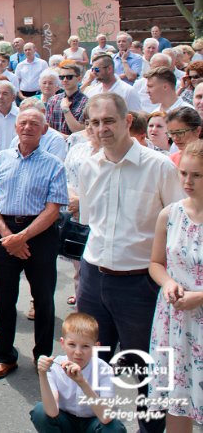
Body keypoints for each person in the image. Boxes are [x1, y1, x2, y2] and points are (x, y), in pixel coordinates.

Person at [77, 93, 181, 433]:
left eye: (108, 121)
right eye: (95, 122)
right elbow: (91, 221)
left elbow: (179, 228)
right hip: (93, 279)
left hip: (140, 284)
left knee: (147, 371)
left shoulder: (160, 168)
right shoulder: (88, 166)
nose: (101, 128)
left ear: (127, 121)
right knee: (93, 365)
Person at [0, 109, 68, 380]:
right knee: (2, 298)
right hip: (3, 231)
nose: (28, 127)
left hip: (40, 234)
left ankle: (42, 356)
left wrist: (22, 237)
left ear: (44, 130)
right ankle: (4, 356)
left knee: (43, 298)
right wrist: (8, 235)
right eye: (23, 122)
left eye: (34, 123)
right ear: (16, 127)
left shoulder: (54, 164)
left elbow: (54, 209)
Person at [148, 139, 203, 431]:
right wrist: (168, 283)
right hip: (175, 320)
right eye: (183, 173)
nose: (187, 181)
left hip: (199, 313)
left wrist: (200, 296)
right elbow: (156, 263)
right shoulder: (170, 214)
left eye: (196, 175)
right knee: (177, 402)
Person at [32, 312, 124, 433]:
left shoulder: (104, 369)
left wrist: (82, 383)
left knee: (114, 428)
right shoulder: (55, 366)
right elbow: (52, 412)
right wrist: (42, 374)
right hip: (65, 420)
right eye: (72, 345)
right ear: (63, 343)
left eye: (85, 346)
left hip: (93, 421)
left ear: (96, 347)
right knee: (40, 411)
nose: (78, 352)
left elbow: (106, 417)